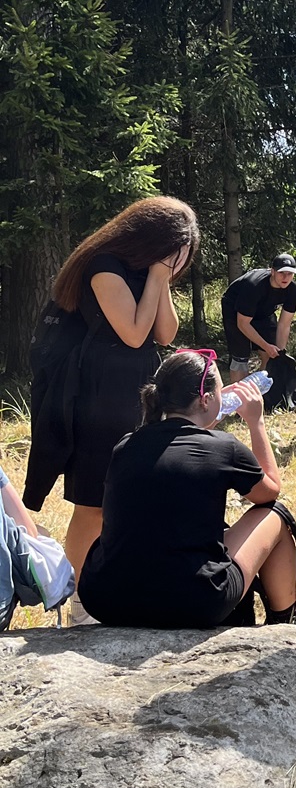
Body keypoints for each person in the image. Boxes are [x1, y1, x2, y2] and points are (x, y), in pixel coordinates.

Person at [24, 196, 199, 579]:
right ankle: (76, 594)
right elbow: (134, 335)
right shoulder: (104, 266)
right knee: (94, 502)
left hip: (137, 389)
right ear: (152, 238)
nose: (179, 261)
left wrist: (160, 279)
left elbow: (165, 334)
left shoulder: (145, 270)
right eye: (176, 251)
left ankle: (117, 578)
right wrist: (158, 276)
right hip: (99, 393)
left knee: (130, 491)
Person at [77, 349, 296, 629]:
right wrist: (256, 423)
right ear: (206, 400)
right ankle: (285, 623)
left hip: (106, 598)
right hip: (195, 601)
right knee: (274, 515)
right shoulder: (224, 448)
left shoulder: (126, 445)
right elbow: (269, 492)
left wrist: (208, 417)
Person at [221, 254, 296, 379]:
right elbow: (243, 323)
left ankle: (263, 387)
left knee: (272, 355)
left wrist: (279, 353)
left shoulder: (293, 290)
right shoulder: (254, 286)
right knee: (240, 356)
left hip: (264, 312)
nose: (286, 277)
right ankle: (240, 390)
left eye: (290, 274)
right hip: (235, 310)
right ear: (272, 272)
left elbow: (284, 324)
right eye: (281, 273)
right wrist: (266, 346)